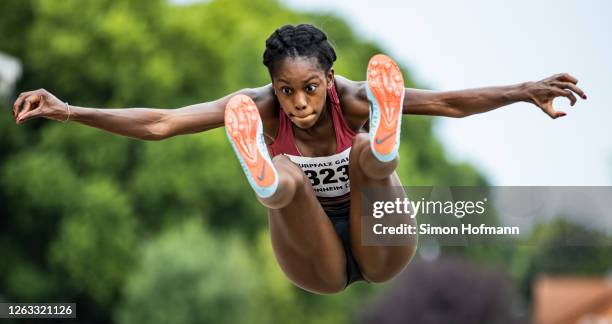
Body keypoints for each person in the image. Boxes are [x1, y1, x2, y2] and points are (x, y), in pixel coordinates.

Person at [11, 24, 586, 295]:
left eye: (311, 88)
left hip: (382, 242)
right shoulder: (258, 109)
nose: (301, 104)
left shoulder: (355, 99)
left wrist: (522, 89)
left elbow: (450, 104)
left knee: (364, 149)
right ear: (273, 88)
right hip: (315, 259)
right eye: (286, 92)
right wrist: (70, 111)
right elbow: (163, 122)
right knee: (284, 176)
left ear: (330, 79)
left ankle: (384, 147)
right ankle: (265, 178)